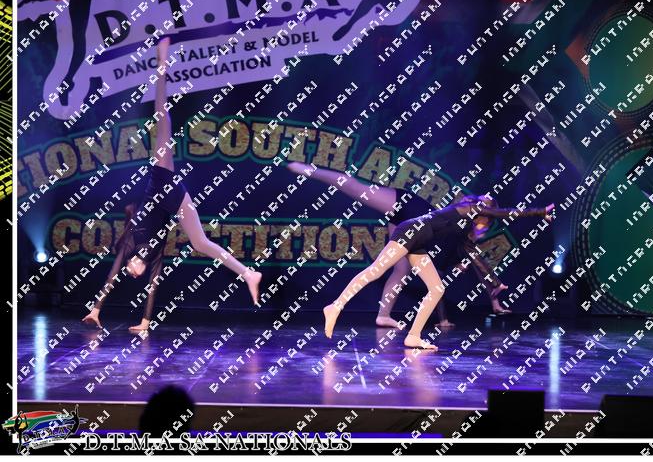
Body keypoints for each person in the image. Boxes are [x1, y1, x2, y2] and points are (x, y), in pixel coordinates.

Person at [82, 37, 261, 331]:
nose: (132, 272)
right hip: (172, 197)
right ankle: (248, 274)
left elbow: (110, 276)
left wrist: (95, 308)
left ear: (129, 263)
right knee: (200, 243)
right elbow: (153, 286)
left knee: (161, 114)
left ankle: (162, 64)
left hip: (159, 181)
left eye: (130, 270)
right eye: (135, 274)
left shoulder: (128, 245)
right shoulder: (154, 256)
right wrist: (144, 322)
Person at [286, 163, 512, 327]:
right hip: (407, 206)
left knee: (401, 270)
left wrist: (493, 299)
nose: (481, 202)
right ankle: (307, 170)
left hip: (409, 227)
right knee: (358, 189)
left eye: (486, 204)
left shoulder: (468, 232)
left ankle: (383, 315)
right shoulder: (464, 212)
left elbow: (476, 262)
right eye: (481, 201)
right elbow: (473, 257)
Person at [323, 195, 554, 349]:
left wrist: (493, 281)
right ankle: (335, 306)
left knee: (436, 289)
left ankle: (413, 336)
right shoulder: (468, 207)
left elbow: (473, 254)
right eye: (486, 203)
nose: (486, 204)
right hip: (411, 230)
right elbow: (505, 213)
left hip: (419, 241)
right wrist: (539, 211)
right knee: (376, 270)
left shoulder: (465, 226)